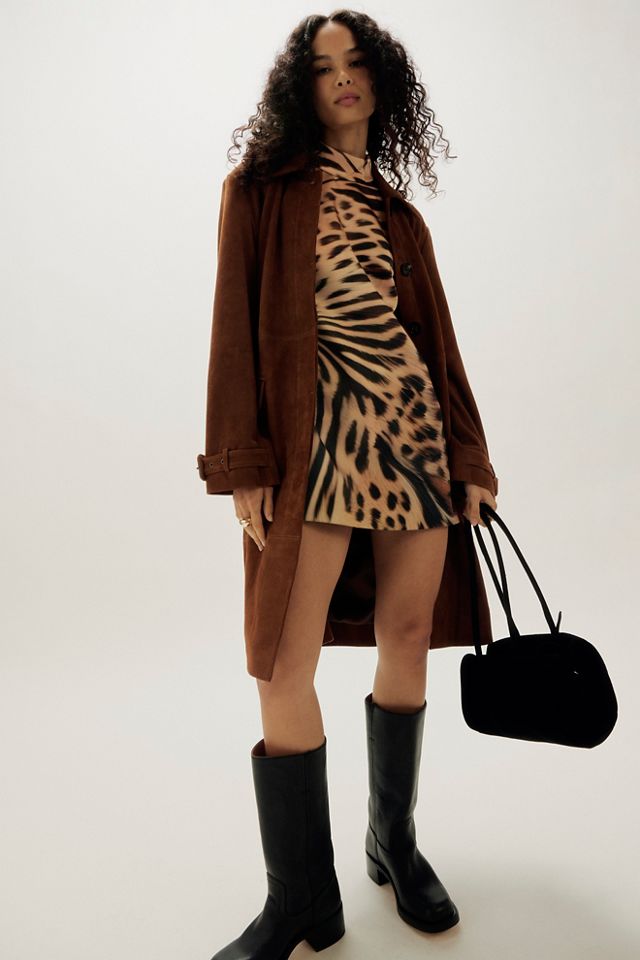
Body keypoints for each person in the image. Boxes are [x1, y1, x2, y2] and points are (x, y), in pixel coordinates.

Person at [200, 11, 498, 959]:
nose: (341, 78)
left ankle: (391, 842)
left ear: (381, 81)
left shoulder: (400, 215)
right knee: (282, 666)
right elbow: (232, 330)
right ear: (302, 87)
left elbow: (438, 348)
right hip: (313, 448)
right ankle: (301, 899)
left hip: (410, 437)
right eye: (322, 66)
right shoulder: (259, 191)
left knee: (407, 638)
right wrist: (242, 462)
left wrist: (470, 460)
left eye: (356, 62)